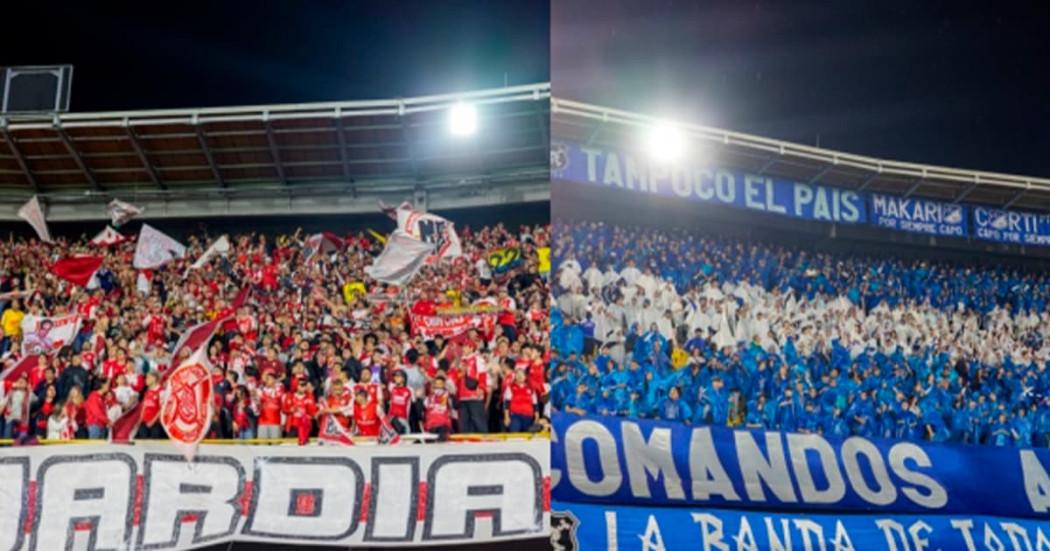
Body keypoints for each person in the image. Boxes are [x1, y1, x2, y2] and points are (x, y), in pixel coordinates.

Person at [424, 375, 453, 441]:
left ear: (444, 385)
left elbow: (454, 407)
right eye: (436, 384)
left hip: (443, 425)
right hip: (431, 426)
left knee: (442, 443)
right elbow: (424, 410)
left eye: (440, 384)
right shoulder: (429, 397)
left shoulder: (448, 395)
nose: (438, 385)